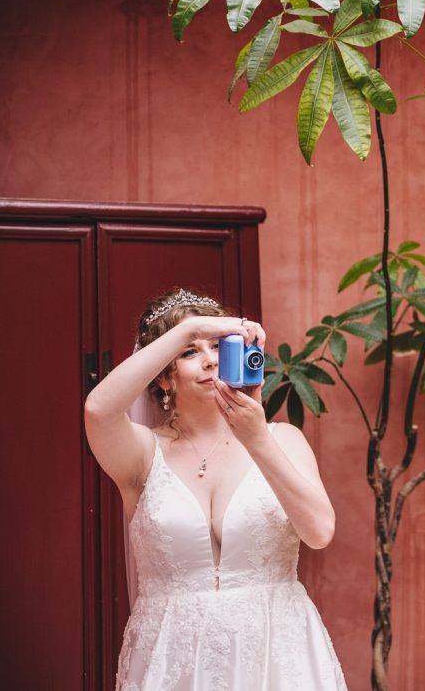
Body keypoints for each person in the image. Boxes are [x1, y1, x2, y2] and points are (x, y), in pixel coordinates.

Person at [84, 288, 346, 690]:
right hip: (173, 657)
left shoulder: (283, 439)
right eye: (190, 352)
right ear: (164, 376)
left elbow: (320, 531)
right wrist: (191, 329)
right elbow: (98, 410)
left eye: (219, 347)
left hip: (277, 651)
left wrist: (258, 440)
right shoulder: (142, 454)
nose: (210, 359)